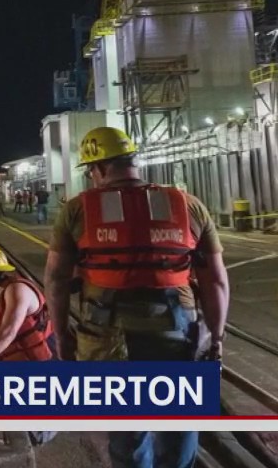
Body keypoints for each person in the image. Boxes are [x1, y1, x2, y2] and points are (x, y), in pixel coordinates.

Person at [45, 127, 229, 468]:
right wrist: (215, 337)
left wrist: (63, 337)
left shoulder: (76, 210)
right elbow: (216, 281)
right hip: (177, 332)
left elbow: (55, 280)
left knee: (127, 431)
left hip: (105, 338)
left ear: (97, 168)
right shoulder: (188, 205)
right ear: (132, 161)